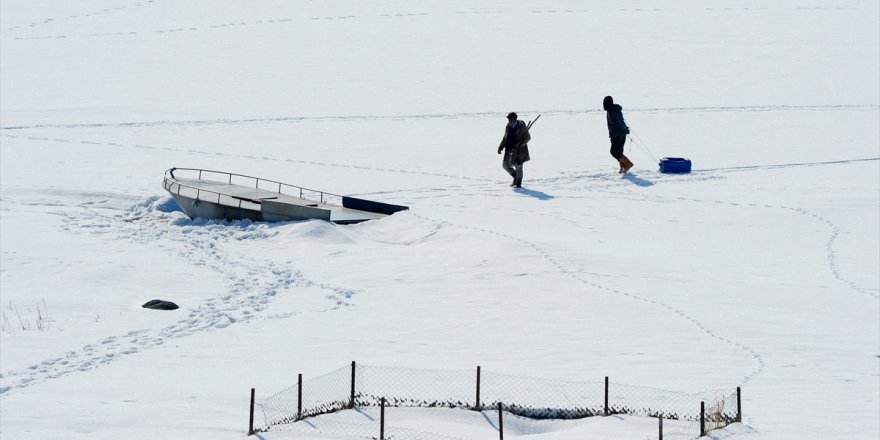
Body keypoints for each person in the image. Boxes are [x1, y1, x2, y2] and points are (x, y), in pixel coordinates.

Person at [497, 112, 531, 188]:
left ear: (515, 119)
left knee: (518, 166)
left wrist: (521, 145)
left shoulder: (521, 126)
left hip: (519, 150)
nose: (509, 120)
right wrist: (500, 147)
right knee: (505, 165)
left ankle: (518, 183)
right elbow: (505, 138)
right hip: (509, 149)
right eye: (508, 119)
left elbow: (528, 137)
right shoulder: (508, 126)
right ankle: (516, 177)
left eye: (510, 119)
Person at [603, 96, 633, 173]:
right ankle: (622, 167)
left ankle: (628, 164)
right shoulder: (610, 110)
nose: (603, 104)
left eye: (605, 102)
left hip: (619, 134)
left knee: (614, 152)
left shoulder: (613, 110)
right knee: (619, 152)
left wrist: (625, 129)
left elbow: (620, 121)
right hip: (615, 134)